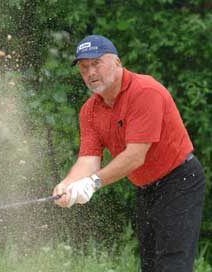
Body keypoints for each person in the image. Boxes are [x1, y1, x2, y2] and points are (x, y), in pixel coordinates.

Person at [52, 34, 206, 272]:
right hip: (146, 188)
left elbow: (135, 156)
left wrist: (92, 183)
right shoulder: (90, 111)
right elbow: (88, 159)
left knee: (172, 265)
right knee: (151, 266)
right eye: (84, 68)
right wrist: (69, 184)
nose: (90, 73)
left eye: (96, 64)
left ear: (116, 62)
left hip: (180, 181)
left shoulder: (145, 91)